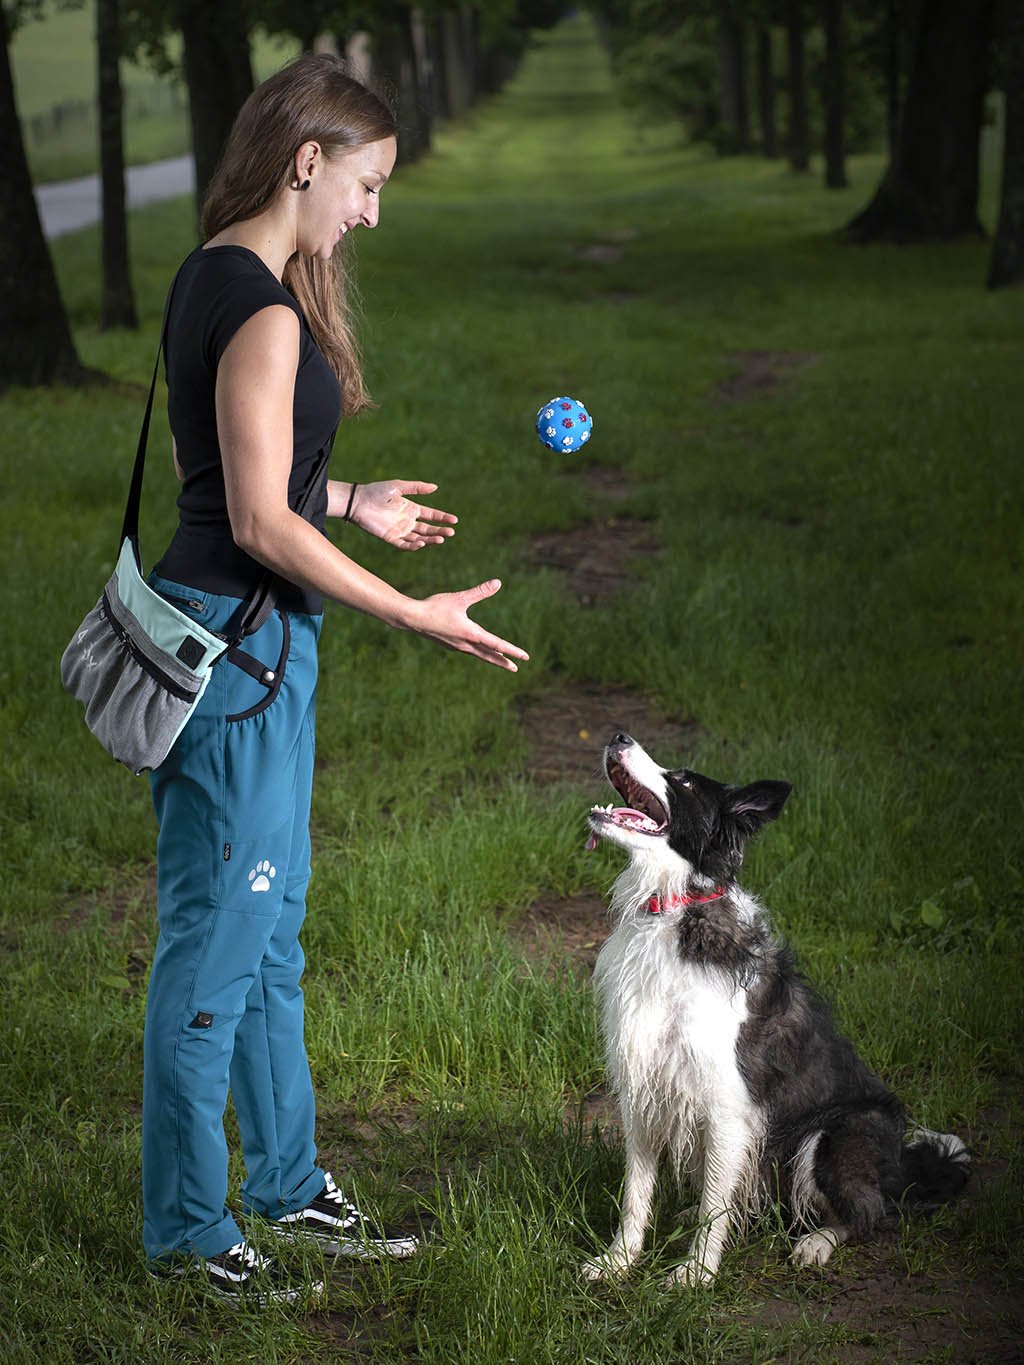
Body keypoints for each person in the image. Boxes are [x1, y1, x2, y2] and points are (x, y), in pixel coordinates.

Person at [143, 53, 528, 1304]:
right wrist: (414, 613)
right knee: (219, 944)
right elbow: (254, 520)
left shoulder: (223, 275)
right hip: (240, 650)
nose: (372, 211)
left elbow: (233, 475)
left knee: (270, 938)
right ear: (307, 161)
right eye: (366, 184)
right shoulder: (256, 305)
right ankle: (190, 1231)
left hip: (254, 640)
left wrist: (349, 498)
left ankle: (290, 1188)